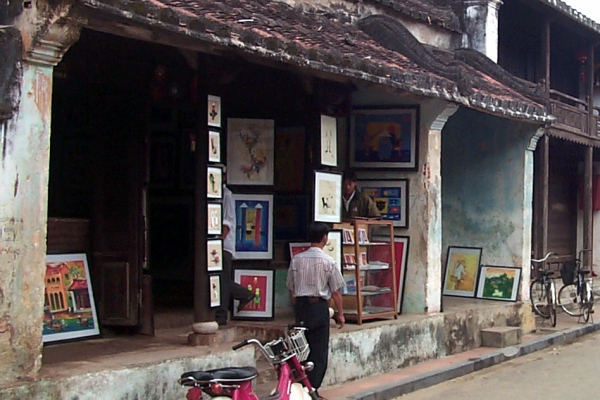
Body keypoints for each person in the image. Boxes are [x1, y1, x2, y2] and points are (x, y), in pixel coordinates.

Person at [286, 223, 345, 399]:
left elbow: (291, 288)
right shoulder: (329, 262)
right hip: (319, 307)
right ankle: (313, 388)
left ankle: (302, 386)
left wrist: (298, 306)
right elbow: (336, 292)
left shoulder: (297, 259)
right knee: (319, 350)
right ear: (325, 238)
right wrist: (340, 314)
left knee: (301, 348)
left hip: (302, 307)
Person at [215, 165, 254, 326]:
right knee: (218, 279)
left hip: (223, 245)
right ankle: (244, 294)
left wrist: (218, 242)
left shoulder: (226, 195)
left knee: (222, 280)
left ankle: (222, 314)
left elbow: (227, 223)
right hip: (217, 244)